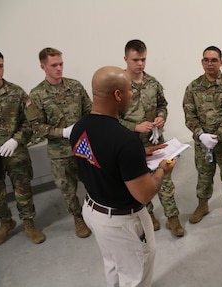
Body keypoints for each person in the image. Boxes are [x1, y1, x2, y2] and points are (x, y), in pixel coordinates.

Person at [70, 66, 176, 287]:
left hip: (92, 209)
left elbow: (101, 158)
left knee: (114, 263)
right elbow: (144, 194)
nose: (132, 95)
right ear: (118, 95)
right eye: (129, 91)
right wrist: (162, 170)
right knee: (135, 275)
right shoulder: (125, 140)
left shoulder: (79, 128)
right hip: (121, 222)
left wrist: (138, 154)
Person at [119, 39, 184, 237]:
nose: (140, 64)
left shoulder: (153, 83)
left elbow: (163, 104)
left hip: (155, 142)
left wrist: (161, 117)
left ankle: (173, 218)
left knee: (165, 181)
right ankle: (148, 216)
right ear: (126, 59)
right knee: (139, 183)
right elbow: (111, 118)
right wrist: (134, 126)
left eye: (143, 59)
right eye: (135, 60)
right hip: (131, 145)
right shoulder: (119, 85)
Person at [25, 47, 92, 238]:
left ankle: (94, 213)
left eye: (61, 64)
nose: (59, 68)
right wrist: (61, 132)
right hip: (59, 152)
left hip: (83, 146)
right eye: (54, 65)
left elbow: (89, 111)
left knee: (92, 181)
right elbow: (35, 126)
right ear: (43, 66)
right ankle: (78, 217)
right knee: (68, 188)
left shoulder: (75, 86)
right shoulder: (37, 94)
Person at [183, 45, 222, 227]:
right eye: (206, 60)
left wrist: (217, 135)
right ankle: (202, 205)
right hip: (203, 143)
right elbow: (189, 115)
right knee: (204, 175)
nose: (209, 63)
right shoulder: (193, 87)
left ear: (221, 62)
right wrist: (201, 135)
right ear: (202, 62)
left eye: (213, 60)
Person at [0, 50, 45, 245]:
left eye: (1, 66)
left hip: (15, 153)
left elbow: (30, 122)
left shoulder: (16, 93)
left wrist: (16, 140)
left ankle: (29, 223)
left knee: (22, 191)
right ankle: (6, 222)